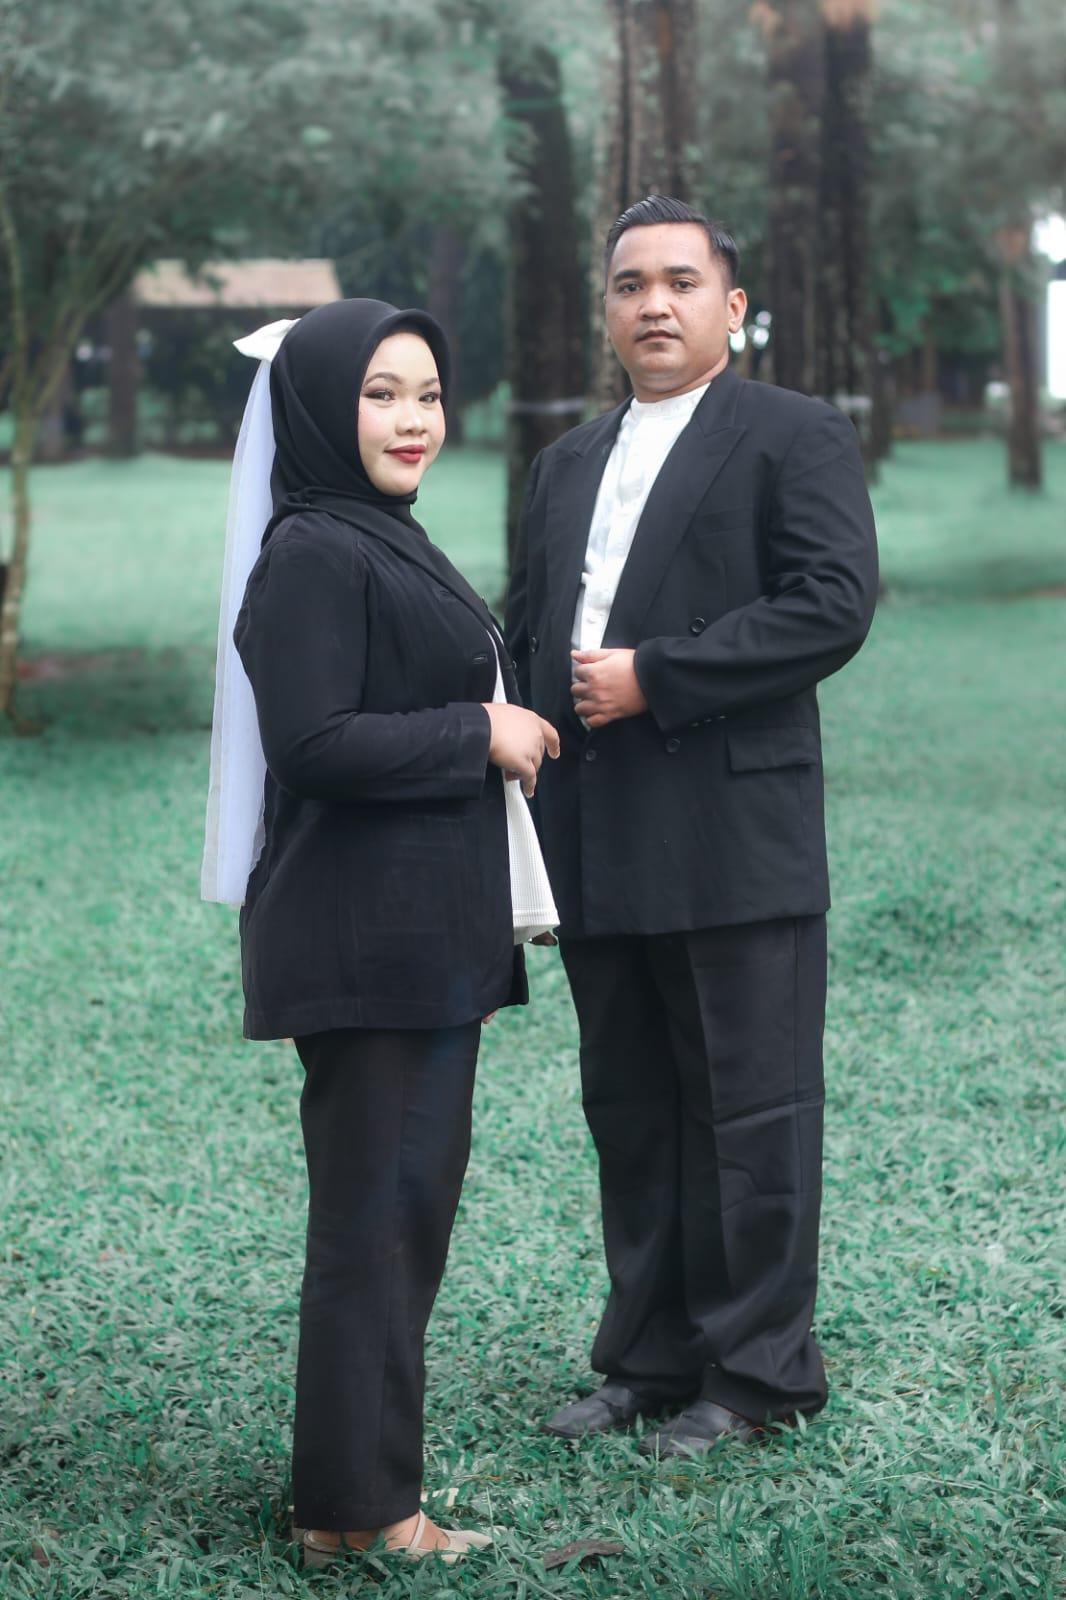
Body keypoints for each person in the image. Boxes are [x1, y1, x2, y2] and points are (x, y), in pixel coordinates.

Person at [505, 196, 878, 1456]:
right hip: (594, 833)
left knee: (750, 1113)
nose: (652, 304)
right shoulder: (562, 463)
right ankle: (647, 1360)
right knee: (631, 1108)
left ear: (732, 304)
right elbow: (524, 626)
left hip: (731, 833)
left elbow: (832, 603)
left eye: (679, 281)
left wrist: (656, 672)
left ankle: (757, 1376)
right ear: (605, 309)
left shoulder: (790, 432)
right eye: (629, 285)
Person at [204, 298, 558, 1563]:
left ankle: (358, 1499)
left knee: (398, 1224)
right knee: (377, 1231)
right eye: (378, 394)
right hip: (370, 948)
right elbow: (313, 743)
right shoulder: (312, 550)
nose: (414, 419)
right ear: (316, 409)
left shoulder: (375, 532)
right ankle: (358, 1513)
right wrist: (481, 731)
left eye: (427, 394)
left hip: (418, 941)